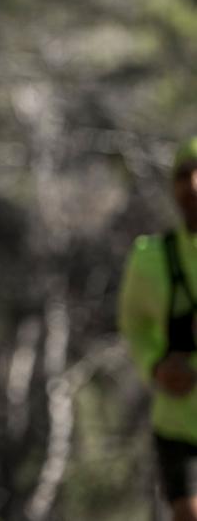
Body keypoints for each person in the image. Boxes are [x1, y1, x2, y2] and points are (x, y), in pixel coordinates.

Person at [120, 137, 197, 521]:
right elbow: (133, 324)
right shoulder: (150, 257)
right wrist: (155, 366)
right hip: (175, 423)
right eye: (184, 175)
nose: (194, 184)